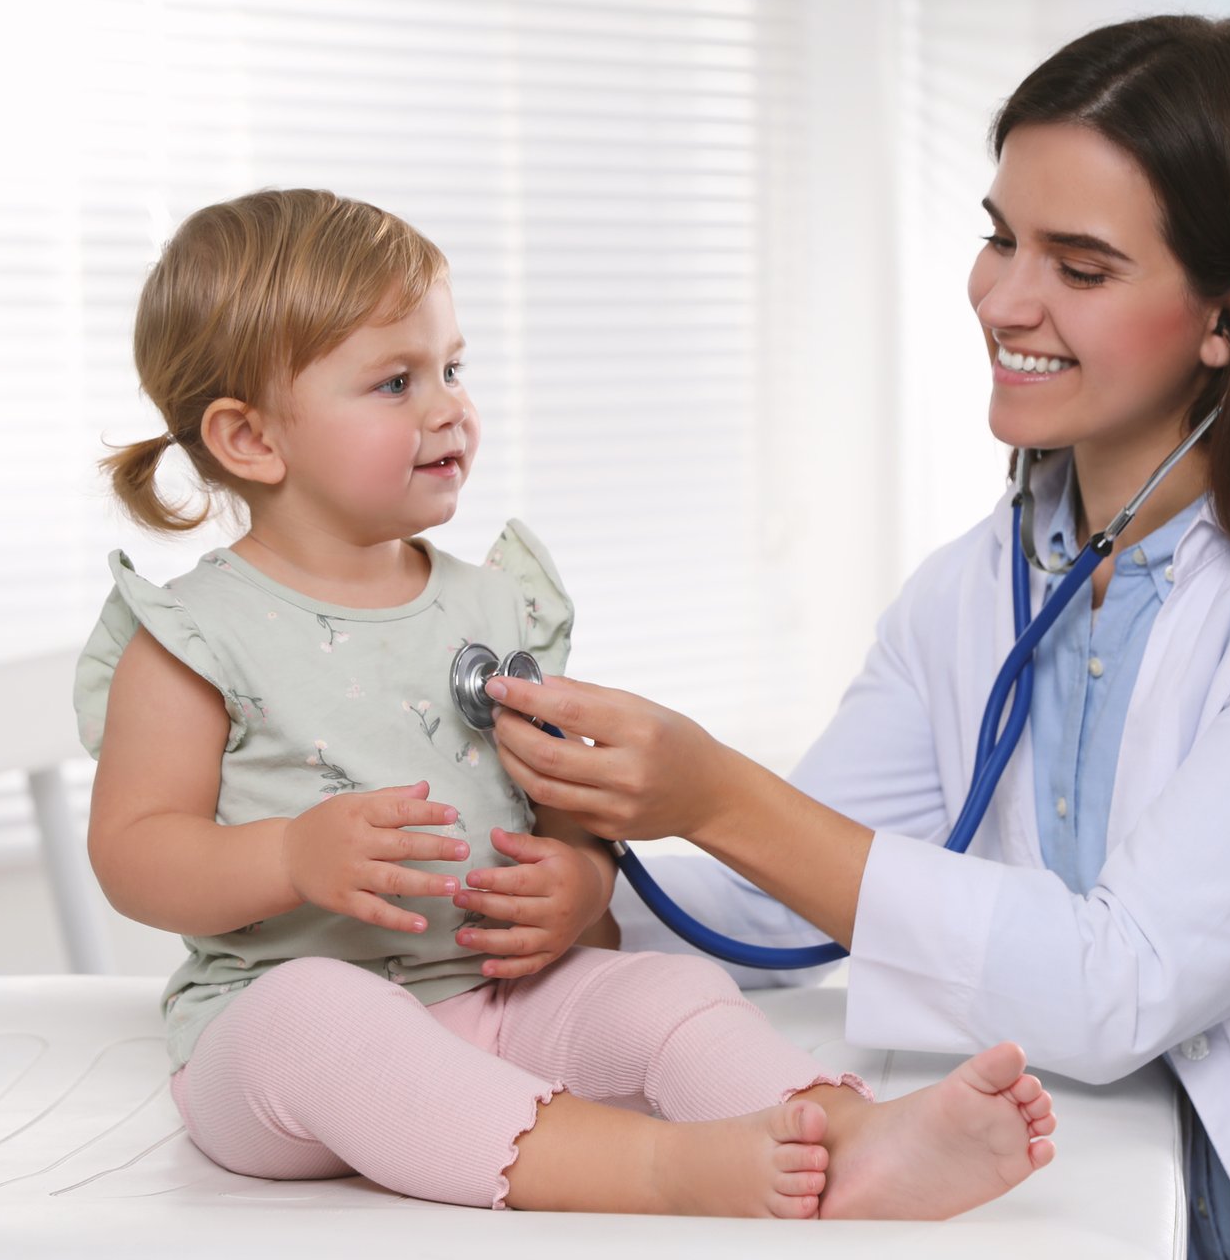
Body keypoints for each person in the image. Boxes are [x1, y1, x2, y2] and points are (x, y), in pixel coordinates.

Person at [481, 17, 1230, 1258]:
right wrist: (595, 895)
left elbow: (1122, 981)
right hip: (1132, 1194)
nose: (1004, 297)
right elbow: (784, 901)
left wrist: (710, 788)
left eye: (1080, 264)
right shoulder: (974, 591)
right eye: (1001, 236)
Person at [74, 188, 1057, 1219]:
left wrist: (581, 883)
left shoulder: (499, 604)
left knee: (664, 994)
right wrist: (286, 858)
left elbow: (562, 807)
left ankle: (849, 1137)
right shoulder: (192, 635)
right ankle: (666, 1170)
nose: (448, 406)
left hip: (494, 1002)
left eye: (453, 368)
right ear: (249, 438)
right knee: (318, 1012)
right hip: (276, 1053)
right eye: (395, 382)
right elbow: (135, 853)